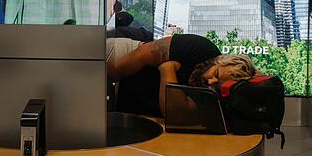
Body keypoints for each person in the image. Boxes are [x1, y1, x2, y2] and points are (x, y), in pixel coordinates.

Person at [108, 33, 256, 117]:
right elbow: (144, 53)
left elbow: (174, 112)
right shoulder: (200, 48)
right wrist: (107, 78)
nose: (211, 81)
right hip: (125, 61)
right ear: (219, 61)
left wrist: (167, 68)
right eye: (215, 73)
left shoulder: (214, 98)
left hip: (126, 105)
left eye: (218, 84)